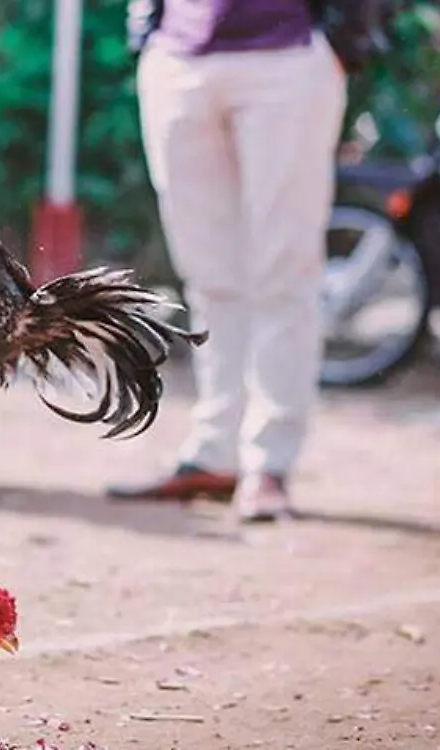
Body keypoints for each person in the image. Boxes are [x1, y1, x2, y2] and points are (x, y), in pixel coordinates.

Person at [107, 0, 376, 520]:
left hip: (288, 54)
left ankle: (269, 463)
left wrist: (343, 46)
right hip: (178, 56)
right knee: (206, 272)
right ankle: (216, 450)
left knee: (284, 267)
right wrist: (148, 32)